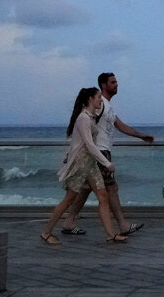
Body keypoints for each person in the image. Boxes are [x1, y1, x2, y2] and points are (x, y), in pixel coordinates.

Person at [60, 72, 154, 236]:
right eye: (113, 82)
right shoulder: (99, 104)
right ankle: (122, 225)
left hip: (100, 151)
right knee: (111, 188)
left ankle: (69, 221)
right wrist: (76, 150)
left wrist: (140, 135)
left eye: (116, 82)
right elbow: (84, 124)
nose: (116, 85)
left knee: (86, 188)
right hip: (99, 151)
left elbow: (121, 125)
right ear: (104, 85)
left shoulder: (107, 106)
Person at [40, 87, 128, 245]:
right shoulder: (84, 118)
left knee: (103, 197)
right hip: (80, 165)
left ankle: (110, 234)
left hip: (90, 165)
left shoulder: (91, 117)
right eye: (99, 97)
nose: (101, 100)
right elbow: (89, 144)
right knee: (68, 201)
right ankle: (46, 232)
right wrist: (107, 163)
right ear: (90, 99)